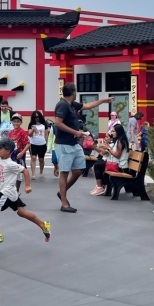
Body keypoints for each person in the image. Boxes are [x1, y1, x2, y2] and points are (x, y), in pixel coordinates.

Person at [0, 137, 50, 244]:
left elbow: (25, 171)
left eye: (0, 148)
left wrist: (27, 185)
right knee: (22, 213)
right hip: (9, 192)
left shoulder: (10, 164)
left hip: (7, 193)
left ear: (8, 151)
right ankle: (43, 225)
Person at [54, 82, 112, 213]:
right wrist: (75, 132)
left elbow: (87, 106)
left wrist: (103, 101)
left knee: (79, 170)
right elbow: (58, 122)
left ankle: (62, 192)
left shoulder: (72, 104)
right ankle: (64, 202)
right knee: (64, 172)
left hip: (75, 144)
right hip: (64, 144)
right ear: (73, 92)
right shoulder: (62, 105)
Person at [91, 127, 126, 196]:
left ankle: (100, 186)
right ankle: (100, 186)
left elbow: (117, 155)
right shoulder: (118, 141)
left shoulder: (120, 142)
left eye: (113, 131)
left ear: (118, 132)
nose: (112, 133)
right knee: (97, 165)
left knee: (97, 165)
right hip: (115, 163)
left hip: (120, 166)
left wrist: (108, 148)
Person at [28, 110, 48, 180]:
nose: (37, 118)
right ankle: (33, 173)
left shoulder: (44, 124)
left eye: (38, 116)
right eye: (35, 117)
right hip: (33, 143)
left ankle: (41, 171)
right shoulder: (31, 124)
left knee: (41, 159)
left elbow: (46, 134)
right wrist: (33, 130)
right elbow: (29, 135)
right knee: (33, 158)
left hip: (42, 143)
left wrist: (46, 142)